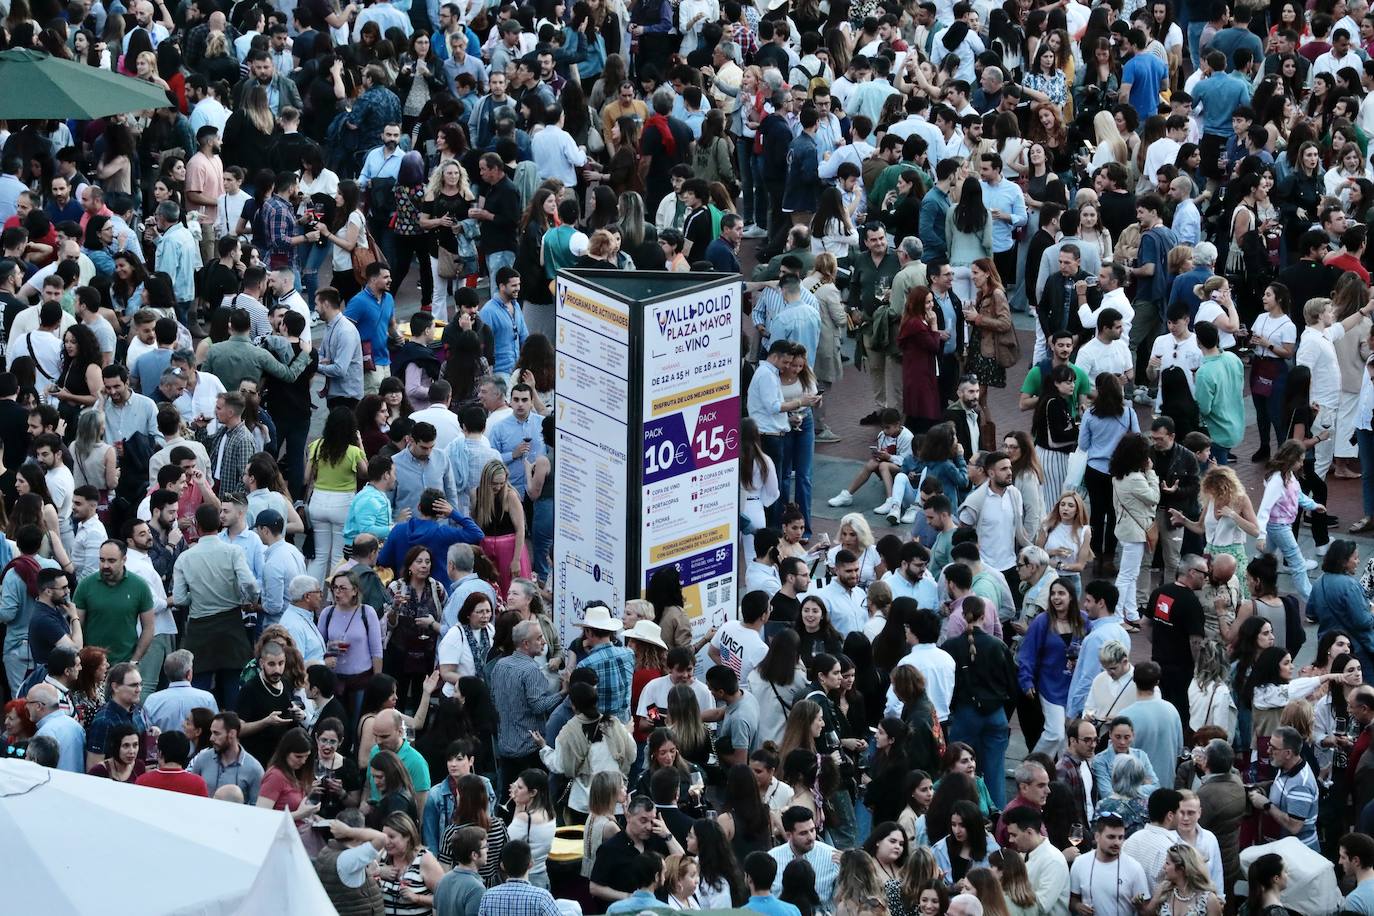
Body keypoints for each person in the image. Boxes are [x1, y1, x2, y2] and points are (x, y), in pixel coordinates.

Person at [1069, 813, 1149, 916]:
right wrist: (1077, 906)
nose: (1117, 842)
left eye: (1120, 837)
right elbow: (1072, 899)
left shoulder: (1134, 868)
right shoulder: (1080, 863)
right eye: (1111, 837)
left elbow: (1146, 909)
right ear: (1097, 837)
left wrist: (1140, 906)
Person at [1003, 805, 1070, 916]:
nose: (1010, 840)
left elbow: (1041, 907)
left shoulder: (1053, 861)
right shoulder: (1023, 853)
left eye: (1014, 835)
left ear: (1029, 832)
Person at [188, 711, 264, 803]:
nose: (211, 738)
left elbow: (256, 808)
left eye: (216, 733)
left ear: (232, 734)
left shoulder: (254, 769)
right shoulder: (202, 759)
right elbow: (190, 794)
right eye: (211, 733)